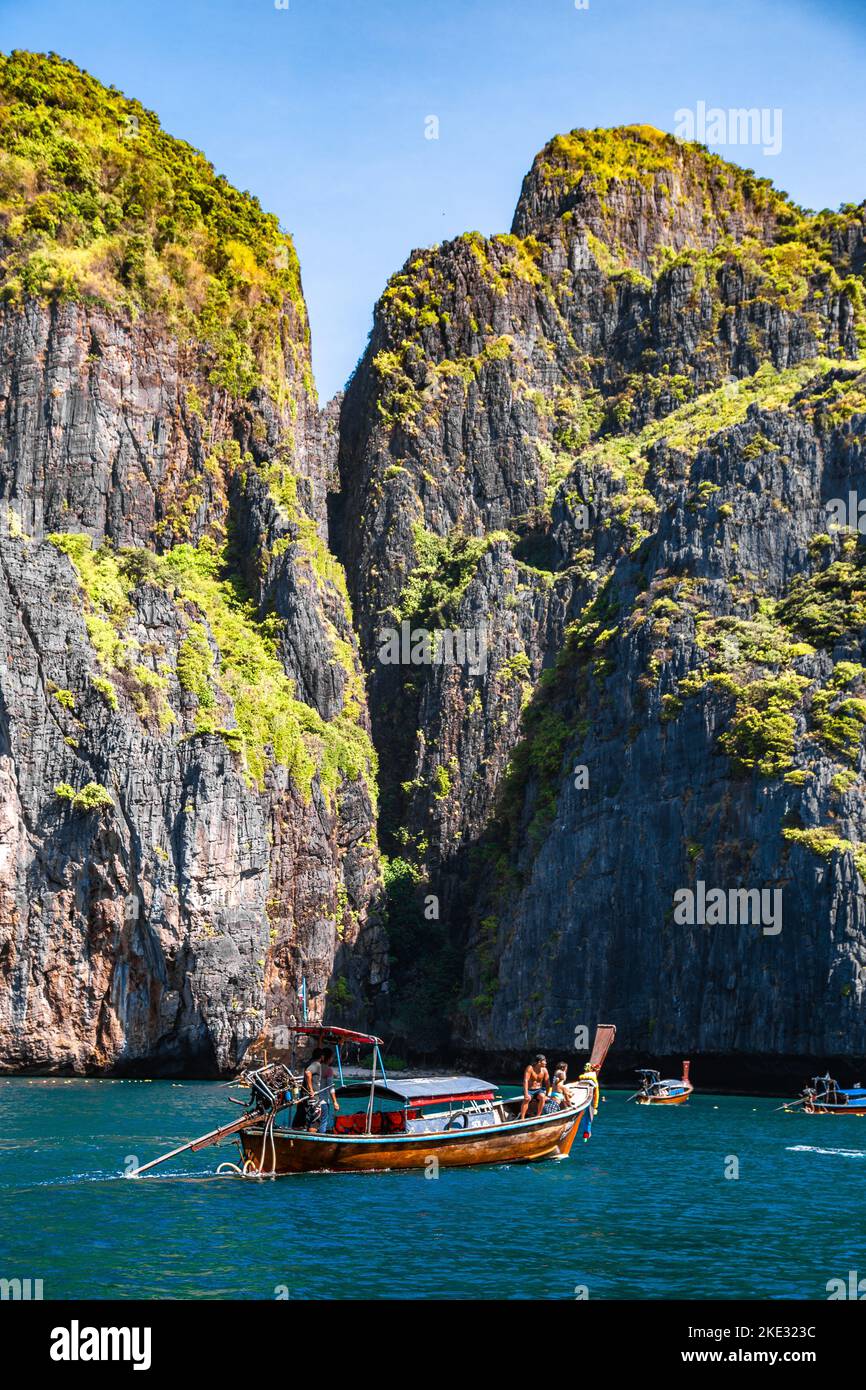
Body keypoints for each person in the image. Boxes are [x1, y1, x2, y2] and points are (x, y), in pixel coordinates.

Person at [293, 1046, 340, 1132]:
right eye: (332, 1057)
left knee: (303, 1121)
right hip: (318, 1099)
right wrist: (335, 1102)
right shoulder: (321, 1067)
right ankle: (316, 1143)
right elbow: (331, 1087)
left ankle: (299, 1141)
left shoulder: (310, 1063)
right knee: (318, 1122)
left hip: (307, 1098)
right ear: (325, 1057)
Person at [520, 1054, 549, 1118]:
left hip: (539, 1090)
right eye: (545, 1061)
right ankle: (522, 1118)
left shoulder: (544, 1070)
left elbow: (547, 1083)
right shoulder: (530, 1068)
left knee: (542, 1097)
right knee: (527, 1099)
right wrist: (526, 1093)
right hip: (530, 1090)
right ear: (539, 1062)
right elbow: (525, 1081)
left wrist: (547, 1094)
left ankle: (538, 1116)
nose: (546, 1063)